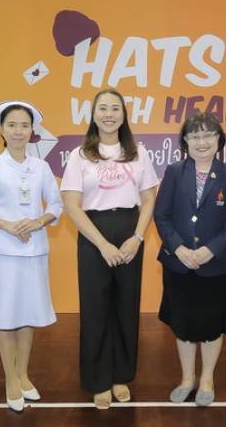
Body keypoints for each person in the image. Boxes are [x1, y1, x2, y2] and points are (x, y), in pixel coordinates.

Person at [60, 88, 158, 409]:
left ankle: (121, 376)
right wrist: (102, 244)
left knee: (126, 306)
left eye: (115, 108)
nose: (109, 114)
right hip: (94, 234)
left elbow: (149, 199)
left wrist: (137, 237)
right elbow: (72, 205)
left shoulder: (138, 153)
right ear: (93, 114)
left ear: (124, 114)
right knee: (95, 308)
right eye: (102, 108)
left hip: (130, 230)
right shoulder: (80, 155)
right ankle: (98, 380)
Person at [0, 100, 62, 412]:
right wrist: (5, 224)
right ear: (2, 130)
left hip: (34, 250)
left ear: (32, 130)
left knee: (27, 315)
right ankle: (10, 378)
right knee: (7, 316)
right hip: (3, 252)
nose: (18, 131)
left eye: (24, 125)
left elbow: (56, 204)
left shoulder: (42, 167)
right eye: (12, 125)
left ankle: (23, 374)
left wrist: (38, 221)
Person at [154, 112, 226, 407]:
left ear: (219, 139)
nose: (201, 142)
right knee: (182, 324)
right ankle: (186, 378)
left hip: (215, 265)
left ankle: (207, 378)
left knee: (211, 325)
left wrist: (210, 250)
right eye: (194, 136)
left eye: (208, 135)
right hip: (178, 264)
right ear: (185, 141)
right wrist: (179, 248)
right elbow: (161, 215)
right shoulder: (173, 171)